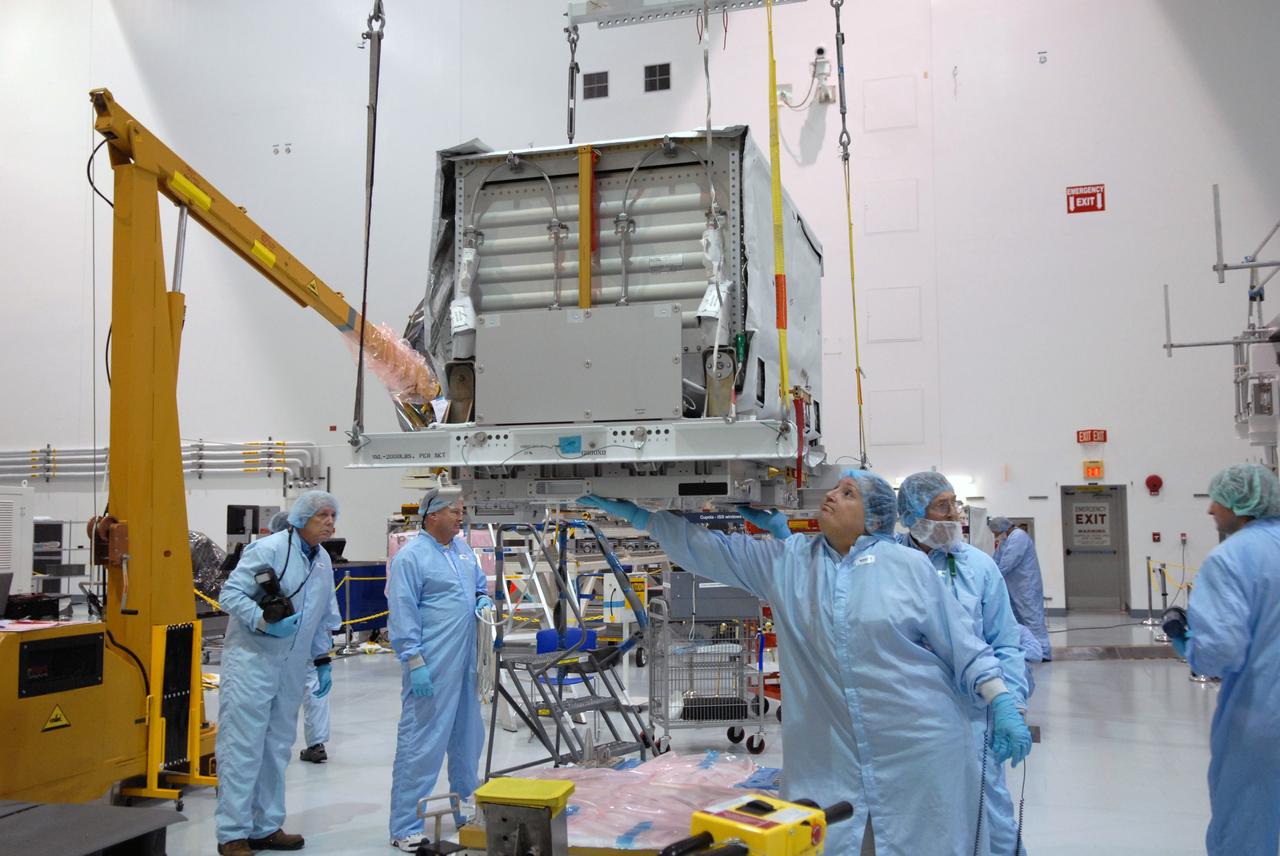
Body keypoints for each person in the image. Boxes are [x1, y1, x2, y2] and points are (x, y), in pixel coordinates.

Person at [580, 469, 1033, 856]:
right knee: (835, 839)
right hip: (828, 755)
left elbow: (964, 645)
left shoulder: (907, 568)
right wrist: (643, 518)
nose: (832, 495)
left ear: (873, 518)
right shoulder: (790, 560)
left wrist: (1002, 703)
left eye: (848, 493)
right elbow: (712, 550)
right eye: (834, 489)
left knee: (919, 841)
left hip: (919, 746)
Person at [897, 472, 1030, 856]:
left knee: (992, 815)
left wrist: (1013, 705)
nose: (954, 514)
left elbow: (1005, 641)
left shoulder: (979, 567)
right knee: (921, 816)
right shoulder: (892, 562)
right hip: (909, 718)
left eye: (955, 503)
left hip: (972, 716)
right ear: (912, 513)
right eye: (942, 505)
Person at [215, 491, 342, 855]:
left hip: (290, 667)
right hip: (252, 662)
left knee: (276, 748)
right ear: (302, 518)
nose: (331, 522)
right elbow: (231, 595)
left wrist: (321, 660)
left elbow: (323, 616)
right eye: (323, 515)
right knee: (242, 747)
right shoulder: (268, 550)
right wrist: (263, 621)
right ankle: (232, 833)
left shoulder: (321, 562)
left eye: (333, 516)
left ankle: (266, 826)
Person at [1164, 463, 1280, 855]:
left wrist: (1186, 641)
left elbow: (1219, 653)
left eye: (1218, 500)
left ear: (1242, 505)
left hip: (1262, 720)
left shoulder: (1231, 558)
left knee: (1246, 830)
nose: (1210, 509)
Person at [387, 486, 493, 853]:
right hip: (431, 664)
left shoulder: (462, 551)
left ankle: (466, 809)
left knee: (467, 740)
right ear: (433, 515)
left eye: (461, 509)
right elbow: (402, 611)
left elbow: (479, 587)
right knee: (422, 743)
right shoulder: (411, 557)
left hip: (466, 665)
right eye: (454, 510)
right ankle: (405, 825)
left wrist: (483, 598)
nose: (460, 516)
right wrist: (413, 660)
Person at [264, 510, 334, 765]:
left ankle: (275, 744)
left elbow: (326, 605)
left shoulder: (318, 556)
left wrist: (323, 654)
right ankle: (315, 743)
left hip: (292, 637)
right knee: (310, 687)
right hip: (296, 637)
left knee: (294, 690)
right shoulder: (317, 555)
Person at [988, 517, 1052, 660]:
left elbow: (1008, 562)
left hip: (1026, 585)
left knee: (1032, 617)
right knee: (1016, 618)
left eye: (996, 532)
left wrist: (993, 576)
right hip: (1014, 586)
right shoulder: (1006, 539)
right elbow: (996, 559)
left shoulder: (1019, 537)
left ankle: (1043, 651)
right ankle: (1028, 650)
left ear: (1004, 528)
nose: (996, 535)